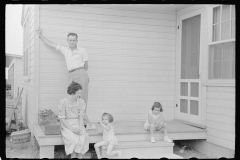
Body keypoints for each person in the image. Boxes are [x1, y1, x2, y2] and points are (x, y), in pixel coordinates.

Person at [36, 28, 91, 126]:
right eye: (70, 40)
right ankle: (73, 120)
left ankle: (84, 123)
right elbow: (51, 44)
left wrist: (85, 76)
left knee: (82, 97)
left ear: (77, 41)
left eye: (74, 40)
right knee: (71, 96)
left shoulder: (82, 50)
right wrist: (40, 36)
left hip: (81, 72)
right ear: (67, 40)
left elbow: (86, 66)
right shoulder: (65, 49)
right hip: (71, 74)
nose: (72, 42)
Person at [58, 81, 89, 158]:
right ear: (72, 92)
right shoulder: (63, 102)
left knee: (82, 139)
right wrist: (72, 129)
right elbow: (62, 119)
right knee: (74, 140)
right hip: (67, 125)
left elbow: (81, 117)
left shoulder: (80, 102)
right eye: (78, 93)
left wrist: (81, 127)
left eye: (80, 93)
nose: (80, 95)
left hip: (78, 123)